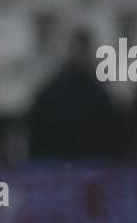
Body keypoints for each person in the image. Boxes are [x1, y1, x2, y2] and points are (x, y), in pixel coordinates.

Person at [26, 28, 127, 161]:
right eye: (75, 50)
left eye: (82, 51)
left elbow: (109, 138)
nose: (78, 55)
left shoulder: (100, 95)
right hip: (56, 162)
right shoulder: (50, 93)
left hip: (91, 161)